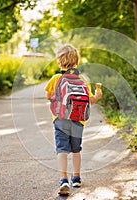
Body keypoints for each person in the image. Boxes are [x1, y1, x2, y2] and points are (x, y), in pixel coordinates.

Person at [44, 44, 103, 195]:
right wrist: (97, 95)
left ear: (59, 61)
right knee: (76, 149)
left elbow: (48, 96)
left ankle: (63, 179)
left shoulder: (56, 78)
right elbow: (90, 100)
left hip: (60, 119)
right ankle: (76, 178)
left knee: (62, 149)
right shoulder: (82, 79)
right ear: (77, 61)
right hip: (78, 119)